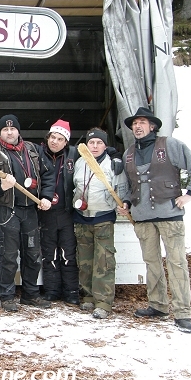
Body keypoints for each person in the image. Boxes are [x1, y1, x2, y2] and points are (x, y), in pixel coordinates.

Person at [117, 107, 191, 334]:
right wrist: (126, 202)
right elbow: (125, 185)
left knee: (177, 263)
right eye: (134, 123)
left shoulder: (171, 145)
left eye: (142, 122)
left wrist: (190, 194)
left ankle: (183, 313)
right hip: (143, 218)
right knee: (152, 263)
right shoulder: (128, 153)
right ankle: (158, 305)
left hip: (170, 215)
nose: (137, 127)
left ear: (152, 126)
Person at [0, 114, 55, 312]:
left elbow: (48, 174)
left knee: (32, 255)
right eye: (5, 130)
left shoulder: (33, 150)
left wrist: (46, 196)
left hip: (30, 210)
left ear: (18, 131)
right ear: (0, 133)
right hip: (7, 212)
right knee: (8, 255)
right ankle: (6, 296)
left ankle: (30, 294)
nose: (9, 132)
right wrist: (1, 186)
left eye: (13, 129)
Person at [73, 128, 126, 320]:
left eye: (99, 143)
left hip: (103, 217)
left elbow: (121, 189)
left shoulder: (113, 165)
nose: (94, 146)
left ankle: (103, 301)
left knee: (103, 261)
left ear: (105, 145)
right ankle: (87, 296)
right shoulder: (79, 163)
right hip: (82, 218)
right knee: (85, 261)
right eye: (91, 143)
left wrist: (124, 204)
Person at [38, 120, 80, 305]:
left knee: (68, 254)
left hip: (66, 212)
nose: (54, 141)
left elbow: (98, 154)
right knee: (49, 254)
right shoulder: (37, 154)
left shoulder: (74, 154)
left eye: (59, 139)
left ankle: (71, 291)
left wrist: (114, 155)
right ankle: (51, 290)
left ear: (66, 142)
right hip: (45, 213)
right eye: (52, 137)